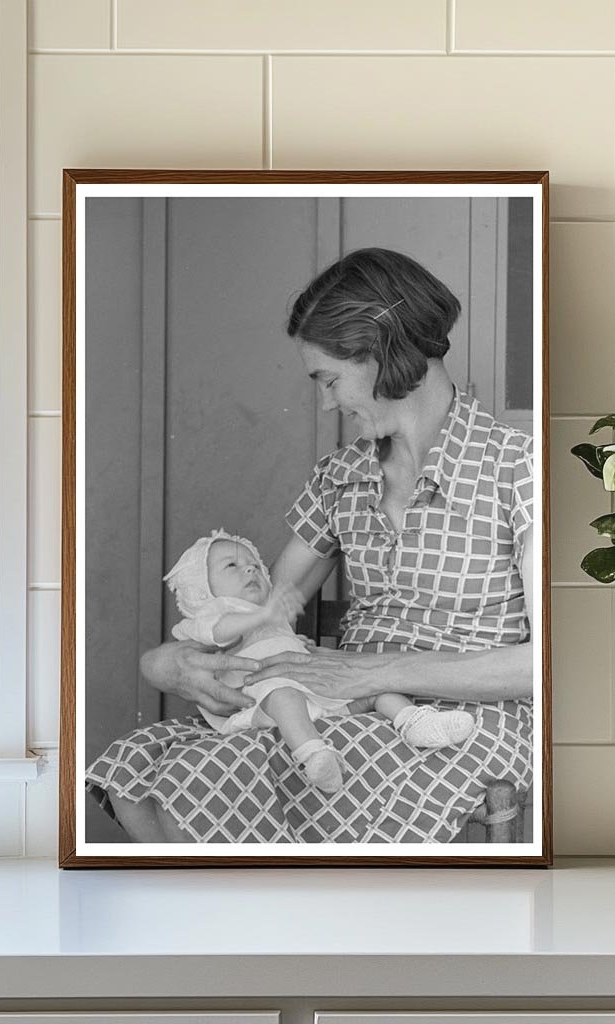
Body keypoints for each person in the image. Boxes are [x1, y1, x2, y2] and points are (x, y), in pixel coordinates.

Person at [85, 246, 534, 844]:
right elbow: (266, 612)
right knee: (147, 772)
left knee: (232, 782)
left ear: (382, 351)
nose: (325, 403)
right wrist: (163, 663)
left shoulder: (518, 466)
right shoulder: (340, 476)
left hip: (467, 721)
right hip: (345, 709)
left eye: (329, 379)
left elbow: (544, 667)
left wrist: (369, 673)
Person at [164, 529, 478, 793]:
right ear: (203, 590)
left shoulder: (266, 613)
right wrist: (263, 614)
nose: (250, 569)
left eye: (254, 565)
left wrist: (297, 644)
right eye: (231, 565)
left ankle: (414, 722)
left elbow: (272, 641)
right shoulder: (213, 614)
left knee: (375, 687)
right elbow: (219, 634)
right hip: (263, 700)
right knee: (283, 695)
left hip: (315, 691)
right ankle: (313, 754)